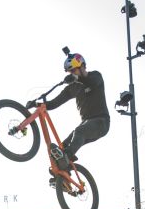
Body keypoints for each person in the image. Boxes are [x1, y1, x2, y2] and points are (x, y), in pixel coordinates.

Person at [26, 52, 109, 183]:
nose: (72, 74)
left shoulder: (96, 76)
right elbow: (54, 103)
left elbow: (91, 82)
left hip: (101, 122)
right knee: (61, 148)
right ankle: (62, 178)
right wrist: (36, 104)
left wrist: (78, 78)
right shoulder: (73, 88)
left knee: (79, 132)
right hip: (86, 124)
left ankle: (66, 159)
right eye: (70, 72)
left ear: (82, 66)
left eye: (74, 70)